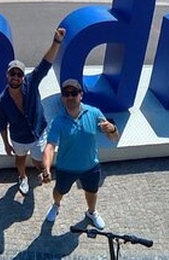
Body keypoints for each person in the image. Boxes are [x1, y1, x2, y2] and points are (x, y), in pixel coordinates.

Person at [40, 79, 120, 230]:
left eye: (74, 93)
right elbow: (50, 146)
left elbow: (114, 139)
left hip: (91, 166)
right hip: (66, 168)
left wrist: (113, 129)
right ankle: (56, 205)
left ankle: (91, 212)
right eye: (66, 94)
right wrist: (47, 168)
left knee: (92, 192)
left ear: (81, 95)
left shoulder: (94, 113)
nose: (70, 97)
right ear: (63, 97)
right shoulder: (58, 120)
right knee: (59, 191)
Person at [0, 27, 66, 194]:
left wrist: (56, 42)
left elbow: (45, 64)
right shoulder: (1, 101)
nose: (16, 77)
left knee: (38, 160)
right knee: (20, 159)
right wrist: (6, 144)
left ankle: (41, 172)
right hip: (18, 138)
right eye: (12, 73)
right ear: (7, 75)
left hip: (38, 133)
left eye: (19, 74)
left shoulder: (32, 82)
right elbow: (2, 125)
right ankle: (22, 177)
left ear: (23, 76)